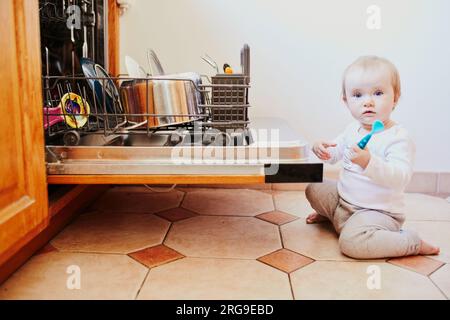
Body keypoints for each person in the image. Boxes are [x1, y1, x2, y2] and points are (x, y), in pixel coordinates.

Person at [305, 56, 440, 259]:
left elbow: (400, 178)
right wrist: (321, 149)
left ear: (395, 98)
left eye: (378, 93)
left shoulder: (398, 137)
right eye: (358, 95)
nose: (368, 102)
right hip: (344, 202)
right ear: (346, 101)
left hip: (377, 213)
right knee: (313, 187)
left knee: (351, 244)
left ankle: (411, 242)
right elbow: (334, 155)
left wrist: (369, 162)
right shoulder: (352, 129)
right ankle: (335, 218)